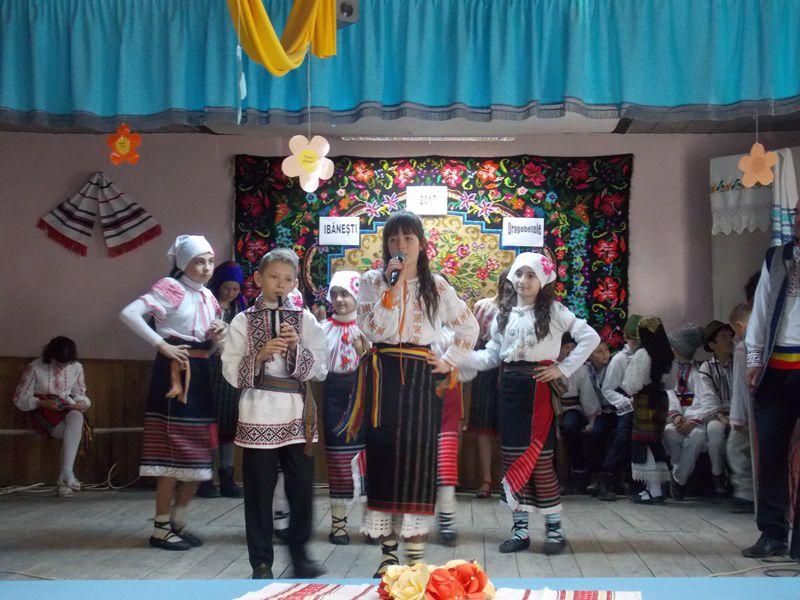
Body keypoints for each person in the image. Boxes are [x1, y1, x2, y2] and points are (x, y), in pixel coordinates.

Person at [341, 211, 478, 575]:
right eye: (393, 239)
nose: (400, 245)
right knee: (383, 457)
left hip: (420, 376)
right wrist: (390, 287)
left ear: (421, 243)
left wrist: (449, 360)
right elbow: (371, 328)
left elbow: (468, 327)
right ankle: (388, 557)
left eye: (408, 239)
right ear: (386, 245)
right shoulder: (372, 281)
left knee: (418, 460)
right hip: (382, 374)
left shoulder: (438, 286)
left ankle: (415, 560)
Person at [466, 252, 600, 555]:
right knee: (512, 460)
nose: (523, 281)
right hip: (509, 389)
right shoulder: (504, 313)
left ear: (542, 280)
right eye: (519, 274)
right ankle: (520, 531)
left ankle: (554, 530)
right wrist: (460, 358)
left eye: (531, 275)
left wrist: (562, 369)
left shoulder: (554, 311)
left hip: (538, 389)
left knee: (539, 461)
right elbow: (492, 355)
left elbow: (590, 338)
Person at [222, 248, 329, 579]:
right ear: (258, 279)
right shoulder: (242, 321)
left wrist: (296, 349)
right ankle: (261, 563)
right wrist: (259, 356)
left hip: (296, 415)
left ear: (295, 283)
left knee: (301, 488)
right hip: (257, 411)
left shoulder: (305, 320)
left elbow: (321, 367)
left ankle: (300, 555)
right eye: (273, 277)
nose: (280, 284)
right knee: (258, 492)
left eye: (287, 279)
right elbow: (229, 368)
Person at [119, 235, 224, 550]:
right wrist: (161, 344)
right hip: (174, 376)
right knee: (171, 455)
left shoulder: (209, 297)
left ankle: (178, 520)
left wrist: (217, 338)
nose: (206, 268)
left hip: (201, 375)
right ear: (183, 263)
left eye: (210, 261)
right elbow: (129, 313)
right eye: (199, 261)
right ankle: (161, 527)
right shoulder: (171, 287)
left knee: (199, 454)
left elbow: (209, 347)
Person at [742, 198, 800, 559]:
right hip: (776, 367)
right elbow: (760, 311)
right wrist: (753, 359)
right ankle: (773, 533)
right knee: (771, 455)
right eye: (797, 214)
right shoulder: (777, 258)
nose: (799, 220)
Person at [319, 270, 369, 544]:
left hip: (366, 397)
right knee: (338, 460)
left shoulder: (370, 327)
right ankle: (338, 525)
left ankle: (373, 524)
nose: (339, 300)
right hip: (335, 397)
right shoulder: (322, 330)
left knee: (369, 460)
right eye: (335, 294)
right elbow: (316, 367)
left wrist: (364, 351)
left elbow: (379, 367)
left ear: (357, 295)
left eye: (346, 294)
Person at [12, 336, 91, 498]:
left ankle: (66, 475)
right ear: (50, 356)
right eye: (58, 364)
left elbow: (79, 393)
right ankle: (65, 478)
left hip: (65, 407)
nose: (62, 368)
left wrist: (82, 403)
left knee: (77, 417)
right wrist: (42, 403)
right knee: (70, 435)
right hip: (41, 410)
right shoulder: (35, 367)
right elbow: (19, 398)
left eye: (66, 364)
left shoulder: (76, 367)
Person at [196, 261, 247, 499]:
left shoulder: (241, 310)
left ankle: (227, 477)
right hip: (207, 368)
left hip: (230, 372)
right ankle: (204, 479)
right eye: (227, 287)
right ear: (217, 285)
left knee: (228, 423)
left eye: (235, 289)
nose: (230, 293)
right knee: (209, 423)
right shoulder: (206, 305)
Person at [622, 317, 674, 504]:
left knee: (645, 442)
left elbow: (632, 384)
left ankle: (653, 489)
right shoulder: (668, 354)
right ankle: (656, 489)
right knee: (655, 440)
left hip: (645, 400)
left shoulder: (643, 354)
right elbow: (671, 383)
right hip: (661, 399)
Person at [469, 269, 510, 498]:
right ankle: (485, 479)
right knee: (482, 424)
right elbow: (474, 339)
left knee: (507, 426)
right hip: (485, 369)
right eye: (506, 283)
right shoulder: (483, 306)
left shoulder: (521, 311)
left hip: (510, 368)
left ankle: (507, 479)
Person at [596, 315, 643, 501]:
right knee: (622, 438)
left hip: (645, 407)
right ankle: (606, 478)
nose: (638, 344)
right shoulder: (620, 359)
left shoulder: (647, 357)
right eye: (634, 340)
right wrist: (626, 402)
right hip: (627, 407)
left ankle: (639, 481)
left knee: (643, 442)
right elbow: (608, 388)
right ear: (626, 338)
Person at [727, 303, 755, 513]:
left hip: (746, 411)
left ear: (739, 325)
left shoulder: (742, 349)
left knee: (735, 449)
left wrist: (737, 416)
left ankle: (745, 492)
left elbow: (739, 384)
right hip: (762, 408)